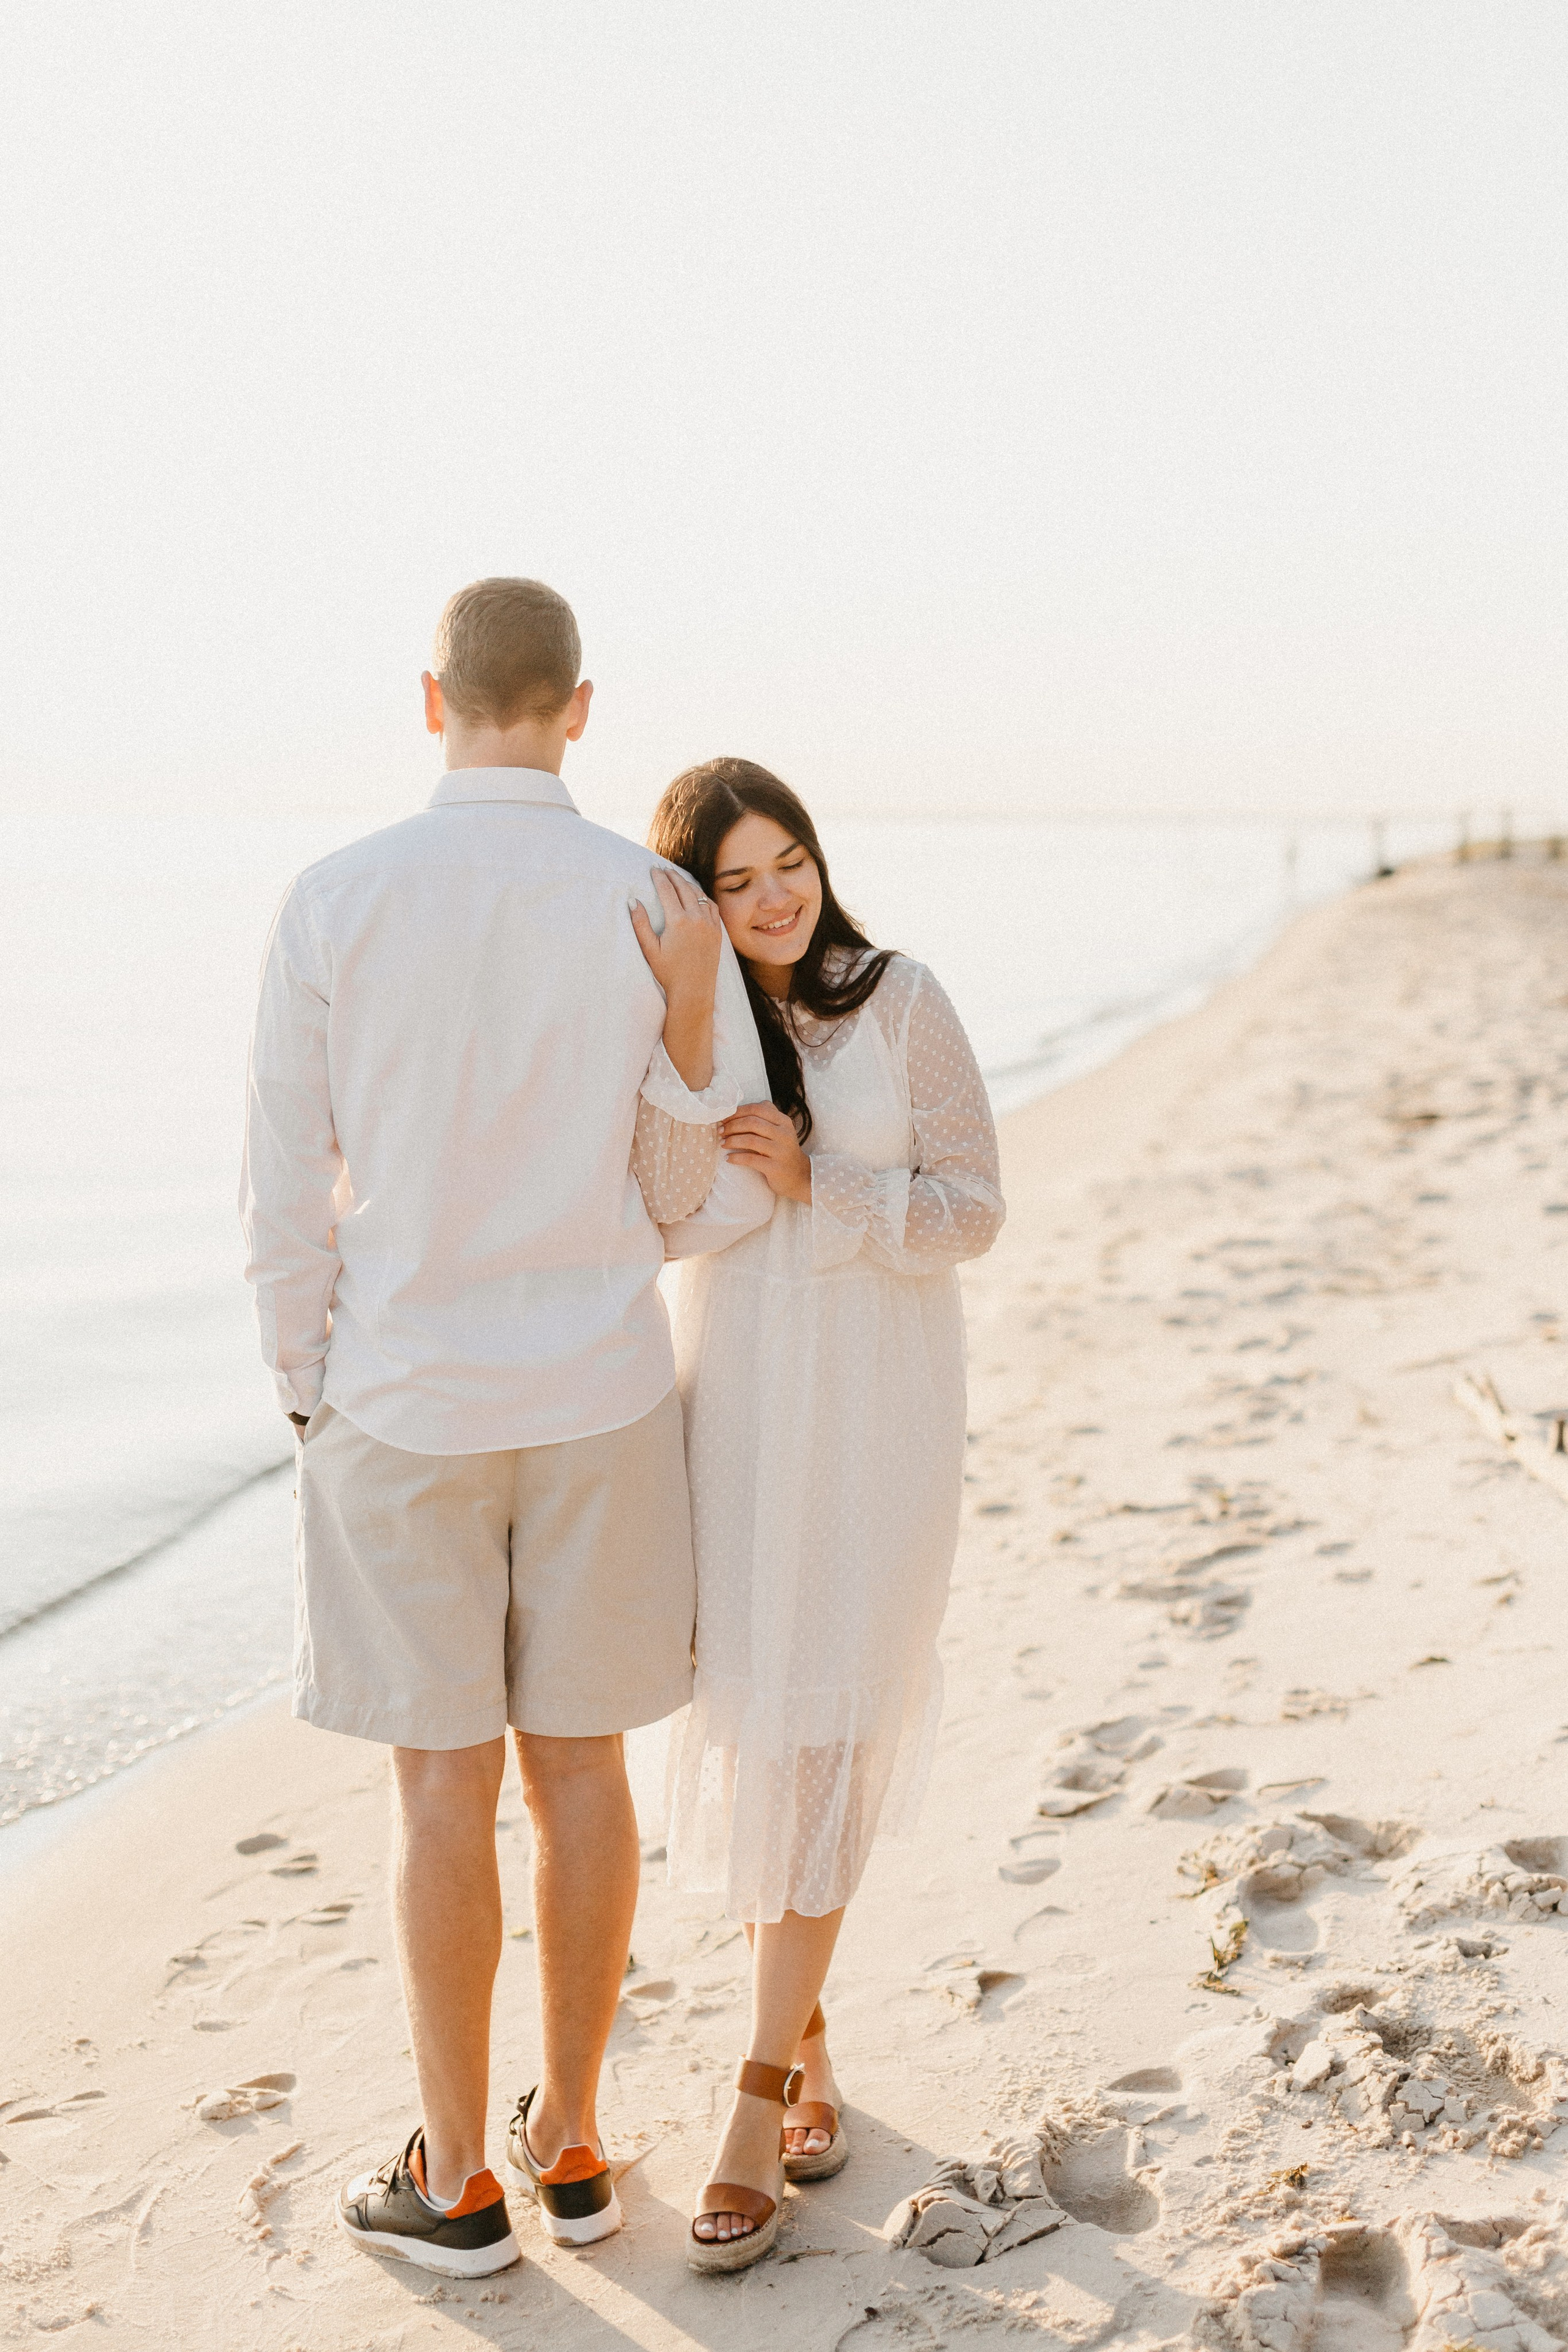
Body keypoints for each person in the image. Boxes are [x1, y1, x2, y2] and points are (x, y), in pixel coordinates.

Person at [239, 581, 772, 2279]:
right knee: (583, 1774)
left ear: (432, 699)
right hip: (601, 1393)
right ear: (581, 710)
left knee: (439, 1794)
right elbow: (705, 1199)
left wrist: (303, 1386)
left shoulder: (334, 898)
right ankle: (579, 2144)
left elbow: (280, 1189)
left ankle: (457, 2175)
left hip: (403, 1400)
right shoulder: (656, 901)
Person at [635, 758, 1005, 2273]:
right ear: (696, 905)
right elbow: (657, 1204)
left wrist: (822, 1191)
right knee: (760, 1718)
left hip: (877, 1413)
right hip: (736, 1405)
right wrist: (674, 1033)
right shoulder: (699, 1031)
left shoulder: (900, 999)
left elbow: (973, 1207)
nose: (774, 895)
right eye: (735, 880)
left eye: (788, 861)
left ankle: (754, 2090)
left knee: (834, 1728)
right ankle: (812, 2043)